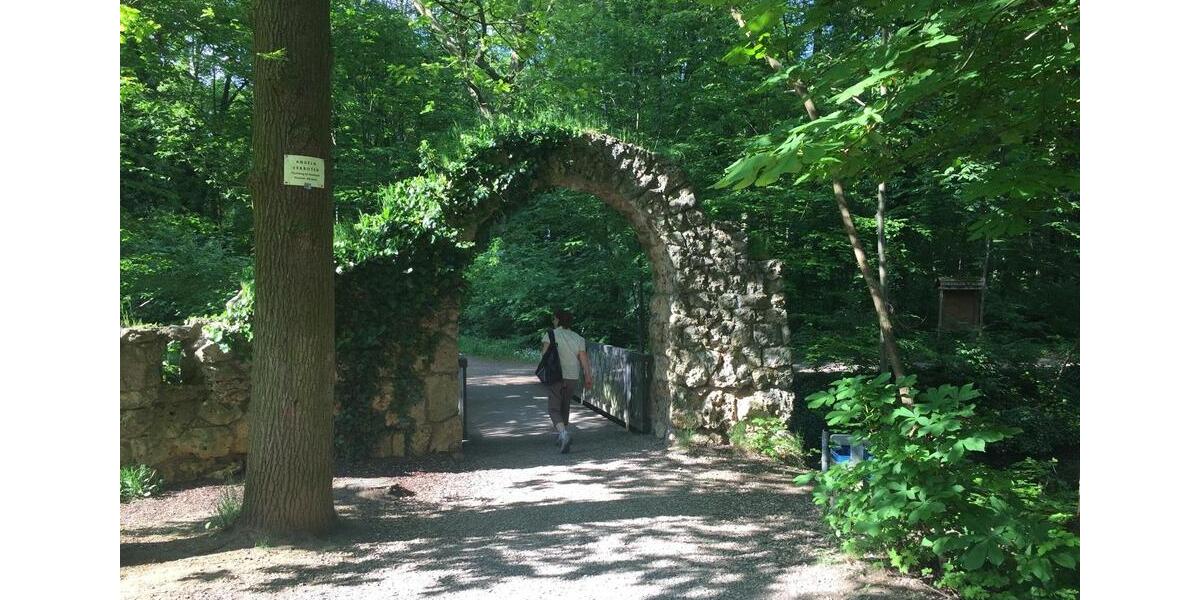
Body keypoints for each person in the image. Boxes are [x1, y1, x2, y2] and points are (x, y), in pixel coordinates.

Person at [541, 309, 592, 453]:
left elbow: (544, 356)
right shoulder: (578, 338)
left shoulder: (550, 335)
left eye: (554, 319)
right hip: (572, 376)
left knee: (553, 408)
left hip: (555, 375)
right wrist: (588, 376)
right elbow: (583, 359)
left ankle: (563, 435)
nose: (553, 321)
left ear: (557, 319)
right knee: (565, 404)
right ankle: (561, 433)